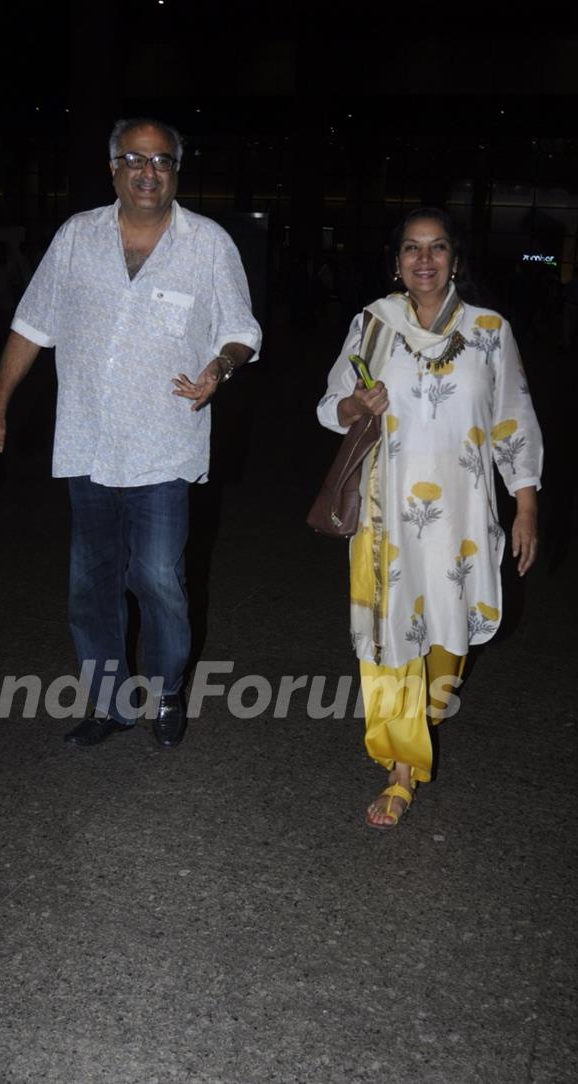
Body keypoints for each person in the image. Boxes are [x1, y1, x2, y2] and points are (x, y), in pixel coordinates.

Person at [0, 117, 261, 749]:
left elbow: (243, 329)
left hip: (164, 443)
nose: (148, 171)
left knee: (159, 577)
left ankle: (165, 693)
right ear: (114, 169)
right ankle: (109, 704)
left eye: (161, 161)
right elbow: (30, 325)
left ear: (176, 171)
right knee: (91, 583)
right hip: (89, 443)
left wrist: (222, 366)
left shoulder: (208, 244)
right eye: (135, 159)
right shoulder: (77, 237)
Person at [317, 207, 543, 829]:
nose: (424, 259)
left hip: (462, 518)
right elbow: (326, 408)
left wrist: (525, 503)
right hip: (387, 516)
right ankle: (399, 767)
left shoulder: (490, 331)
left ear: (454, 260)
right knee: (390, 639)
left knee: (448, 639)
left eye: (437, 248)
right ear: (396, 262)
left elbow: (512, 420)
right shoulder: (372, 325)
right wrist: (352, 404)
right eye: (412, 249)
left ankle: (428, 711)